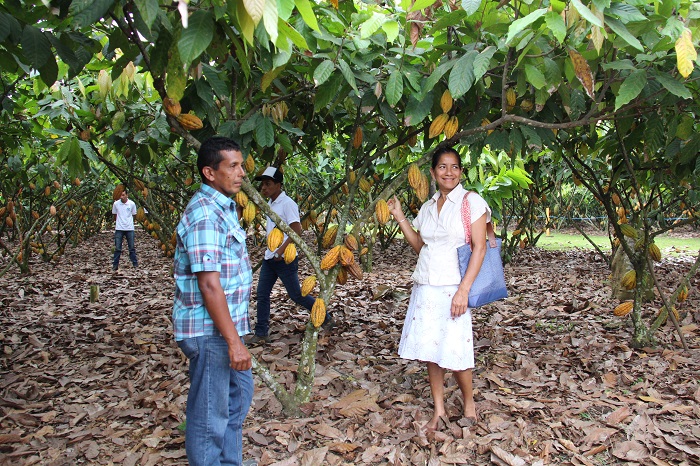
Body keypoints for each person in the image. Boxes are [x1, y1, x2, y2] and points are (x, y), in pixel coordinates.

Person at [387, 147, 490, 431]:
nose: (449, 173)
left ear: (460, 171)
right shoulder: (428, 207)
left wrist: (463, 290)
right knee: (431, 349)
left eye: (455, 167)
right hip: (426, 286)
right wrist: (399, 217)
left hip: (454, 285)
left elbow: (479, 248)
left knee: (456, 348)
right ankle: (439, 409)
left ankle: (469, 402)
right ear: (433, 173)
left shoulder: (472, 202)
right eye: (443, 167)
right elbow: (422, 246)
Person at [172, 137, 256, 466]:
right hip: (210, 332)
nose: (241, 172)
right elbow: (209, 285)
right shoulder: (205, 214)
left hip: (224, 329)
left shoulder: (223, 207)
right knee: (210, 415)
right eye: (232, 166)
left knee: (237, 399)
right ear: (209, 172)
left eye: (241, 164)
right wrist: (234, 343)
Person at [247, 166, 329, 344]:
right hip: (270, 258)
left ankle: (326, 318)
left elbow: (297, 229)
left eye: (268, 184)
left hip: (285, 258)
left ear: (278, 185)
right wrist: (272, 252)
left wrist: (281, 251)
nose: (264, 188)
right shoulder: (270, 203)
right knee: (262, 294)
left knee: (297, 295)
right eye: (262, 185)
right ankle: (261, 333)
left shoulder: (287, 203)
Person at [112, 188, 138, 270]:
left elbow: (134, 214)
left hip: (129, 228)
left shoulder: (132, 204)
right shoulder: (116, 204)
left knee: (131, 248)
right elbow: (114, 215)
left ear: (127, 195)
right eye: (120, 195)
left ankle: (135, 264)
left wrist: (128, 222)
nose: (121, 197)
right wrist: (119, 222)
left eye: (123, 195)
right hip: (119, 228)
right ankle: (115, 266)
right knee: (117, 248)